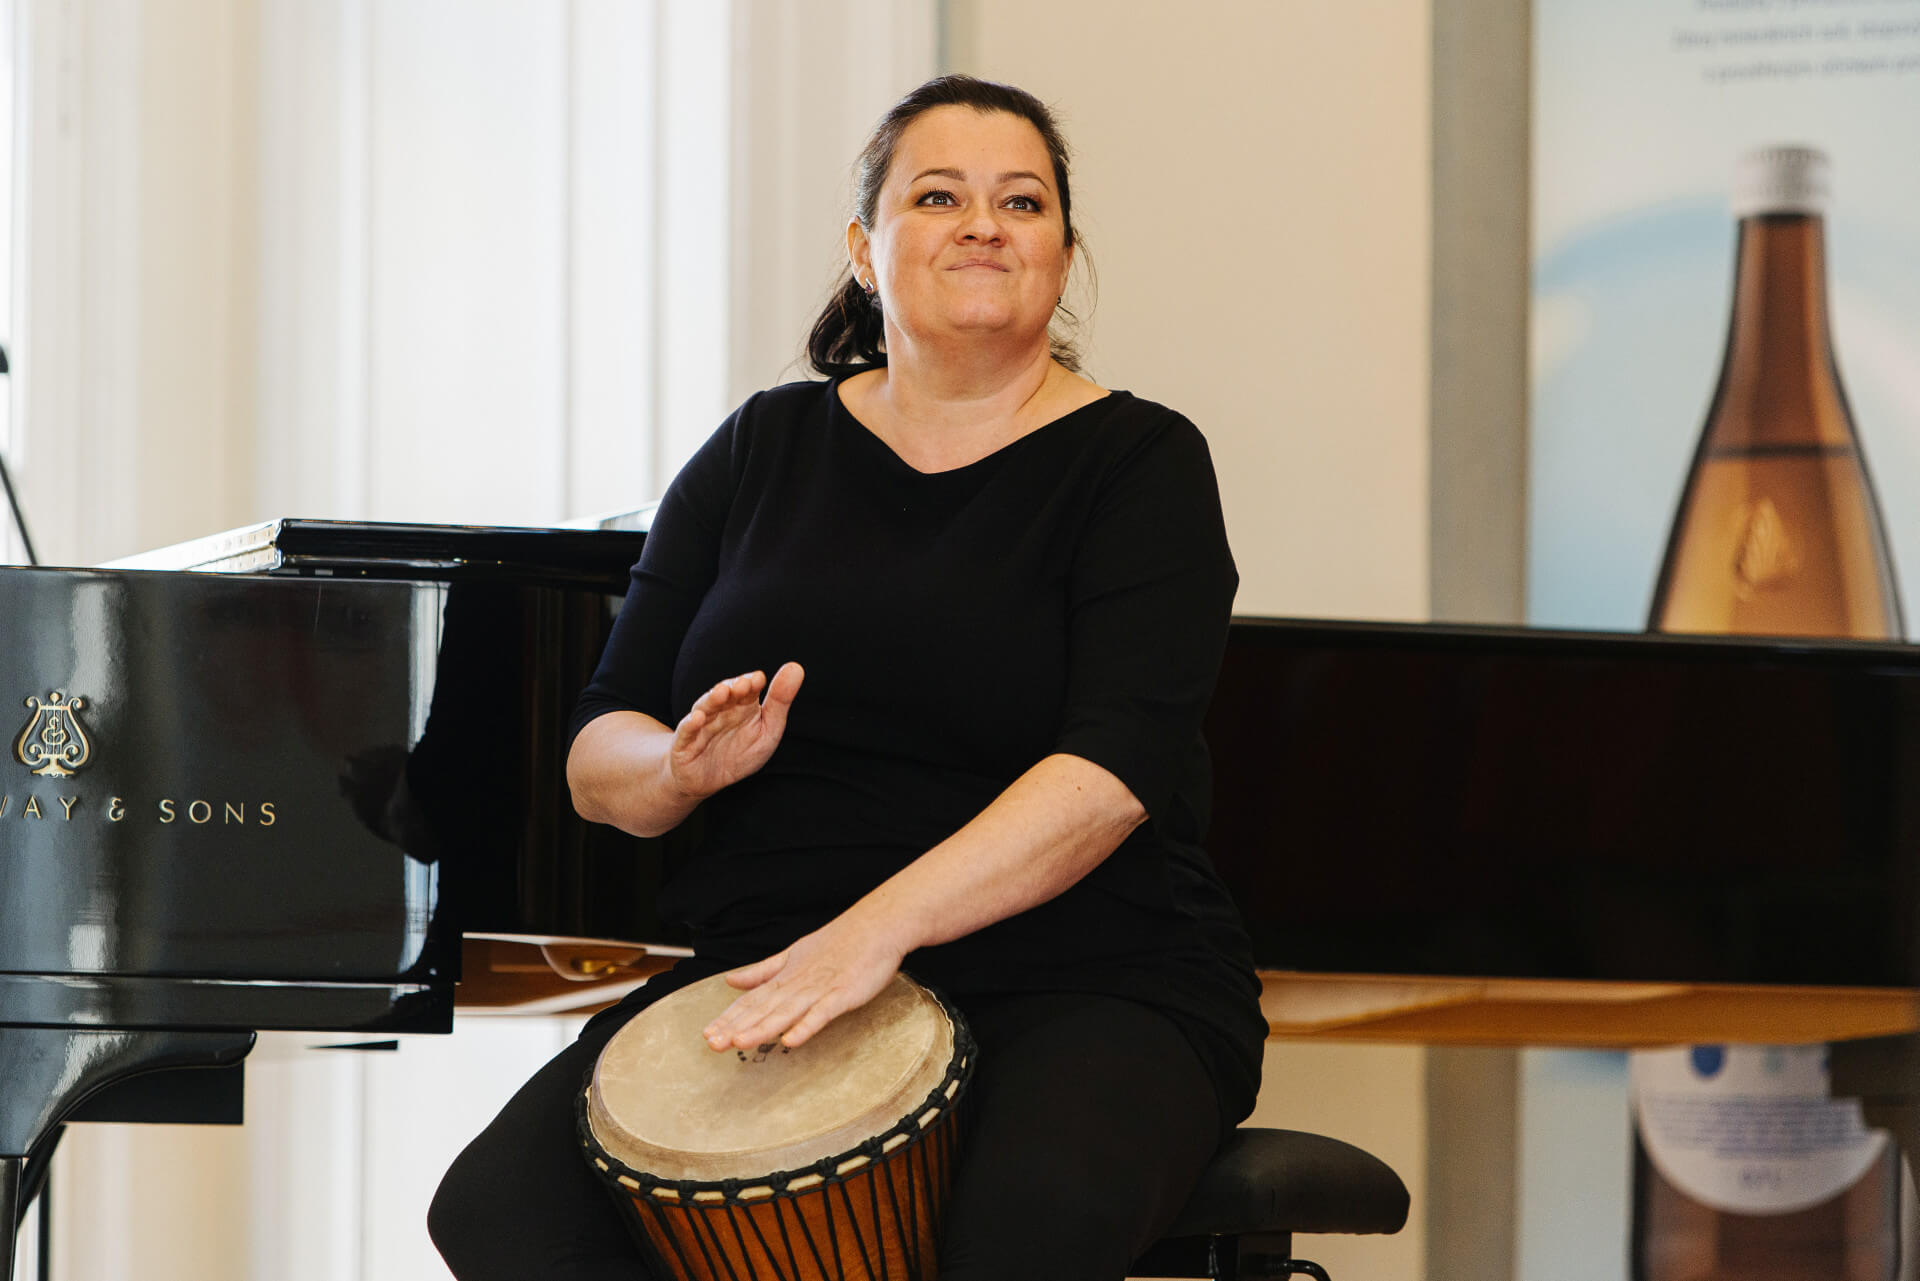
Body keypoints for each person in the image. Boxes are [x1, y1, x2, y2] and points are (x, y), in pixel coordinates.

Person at [428, 74, 1266, 1281]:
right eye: (939, 196)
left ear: (1063, 256)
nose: (983, 225)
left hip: (1086, 973)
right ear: (865, 252)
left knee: (1025, 1223)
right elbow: (599, 750)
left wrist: (871, 937)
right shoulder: (757, 449)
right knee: (501, 1211)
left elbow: (1110, 777)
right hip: (774, 965)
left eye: (1021, 201)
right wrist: (675, 769)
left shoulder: (1142, 463)